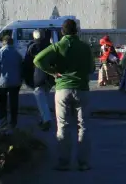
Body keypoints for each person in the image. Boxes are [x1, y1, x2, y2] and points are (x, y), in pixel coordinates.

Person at [34, 18, 94, 171]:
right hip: (82, 88)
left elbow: (38, 59)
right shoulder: (85, 47)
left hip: (62, 88)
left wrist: (53, 72)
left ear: (62, 32)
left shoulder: (58, 46)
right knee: (83, 126)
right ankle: (83, 162)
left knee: (63, 125)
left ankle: (64, 161)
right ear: (77, 31)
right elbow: (92, 69)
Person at [0, 35, 24, 134]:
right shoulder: (18, 54)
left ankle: (3, 120)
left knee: (2, 102)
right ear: (12, 43)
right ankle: (13, 121)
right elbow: (21, 67)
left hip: (2, 82)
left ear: (3, 43)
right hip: (15, 82)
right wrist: (21, 79)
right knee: (14, 102)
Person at [22, 30, 54, 131]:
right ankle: (44, 118)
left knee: (41, 100)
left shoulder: (32, 47)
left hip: (37, 78)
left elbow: (27, 64)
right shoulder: (50, 46)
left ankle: (46, 120)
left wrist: (26, 78)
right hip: (49, 77)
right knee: (44, 98)